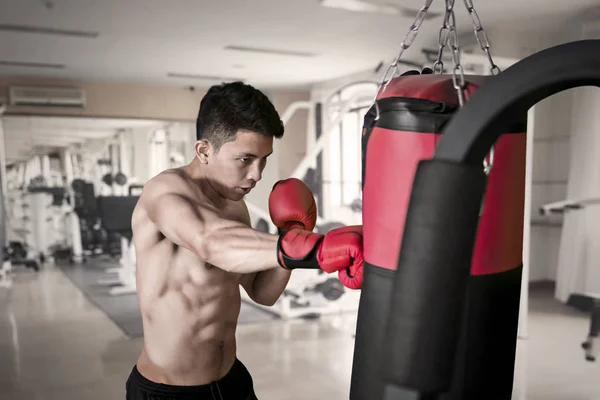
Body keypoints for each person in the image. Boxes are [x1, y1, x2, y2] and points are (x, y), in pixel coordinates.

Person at [126, 81, 363, 400]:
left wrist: (291, 237)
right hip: (170, 392)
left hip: (231, 380)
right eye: (245, 159)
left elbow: (262, 292)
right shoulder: (164, 193)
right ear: (204, 150)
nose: (257, 174)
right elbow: (210, 240)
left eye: (264, 159)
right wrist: (314, 249)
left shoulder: (234, 206)